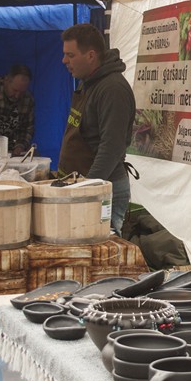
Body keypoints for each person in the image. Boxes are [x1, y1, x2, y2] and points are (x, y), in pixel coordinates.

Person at [58, 23, 136, 236]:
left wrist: (86, 191)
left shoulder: (112, 89)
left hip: (101, 192)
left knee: (101, 257)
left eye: (70, 55)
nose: (65, 61)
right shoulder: (88, 82)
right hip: (81, 187)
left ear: (91, 55)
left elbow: (111, 148)